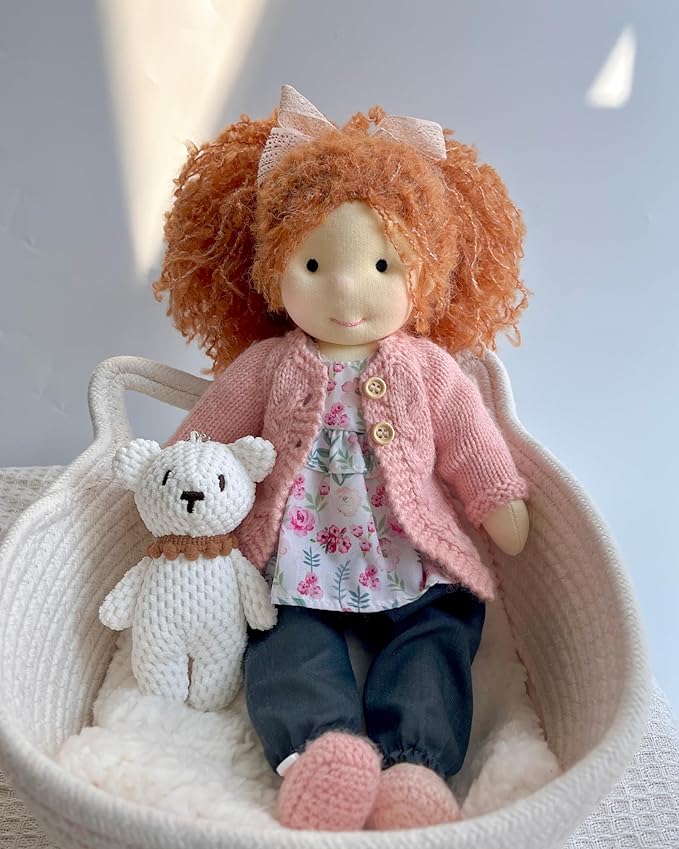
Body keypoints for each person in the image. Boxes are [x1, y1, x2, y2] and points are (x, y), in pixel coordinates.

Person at [156, 85, 530, 831]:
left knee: (435, 639)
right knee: (283, 645)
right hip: (297, 562)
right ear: (275, 267)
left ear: (422, 272)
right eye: (315, 263)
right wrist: (167, 482)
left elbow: (470, 440)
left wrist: (495, 495)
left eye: (383, 264)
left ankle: (413, 764)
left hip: (411, 555)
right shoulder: (267, 365)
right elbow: (203, 440)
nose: (348, 287)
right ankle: (319, 752)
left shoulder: (428, 367)